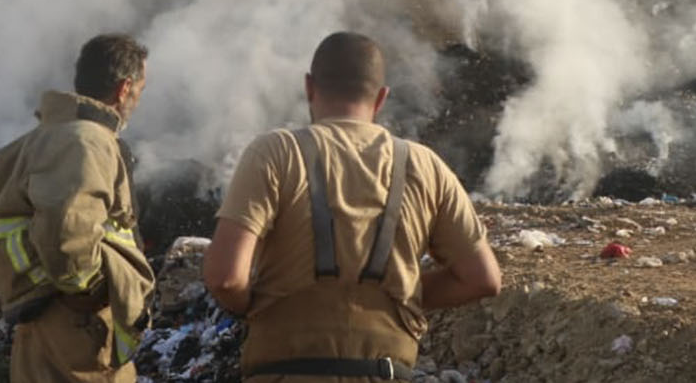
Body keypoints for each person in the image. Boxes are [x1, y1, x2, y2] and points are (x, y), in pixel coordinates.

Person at [203, 31, 502, 380]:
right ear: (381, 98)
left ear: (309, 88)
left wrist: (254, 306)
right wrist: (403, 295)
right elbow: (483, 278)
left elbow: (225, 278)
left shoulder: (274, 153)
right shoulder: (425, 165)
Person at [0, 33, 154, 383]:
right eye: (140, 90)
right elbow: (67, 231)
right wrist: (84, 293)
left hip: (38, 326)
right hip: (79, 329)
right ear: (124, 89)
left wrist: (21, 284)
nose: (137, 99)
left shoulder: (27, 144)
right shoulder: (88, 141)